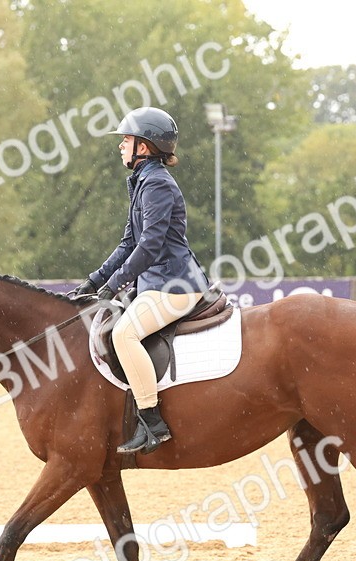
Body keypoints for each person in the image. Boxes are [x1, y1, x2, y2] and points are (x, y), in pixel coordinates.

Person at [69, 107, 211, 455]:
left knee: (124, 333)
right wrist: (93, 283)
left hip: (175, 284)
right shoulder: (143, 181)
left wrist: (114, 284)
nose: (120, 146)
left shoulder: (157, 183)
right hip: (157, 282)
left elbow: (150, 245)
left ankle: (152, 420)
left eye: (126, 140)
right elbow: (129, 243)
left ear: (144, 147)